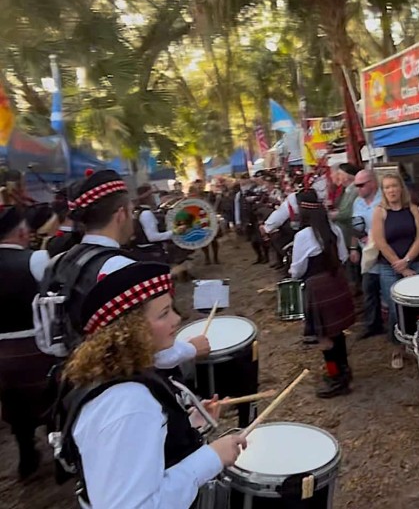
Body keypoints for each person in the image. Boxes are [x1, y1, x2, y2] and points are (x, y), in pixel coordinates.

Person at [59, 261, 247, 508]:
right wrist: (212, 457)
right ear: (132, 329)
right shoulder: (127, 403)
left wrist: (186, 425)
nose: (177, 319)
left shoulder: (113, 371)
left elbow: (135, 453)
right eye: (164, 313)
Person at [39, 169, 209, 366]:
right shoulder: (121, 268)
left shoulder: (56, 262)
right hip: (122, 381)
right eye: (131, 210)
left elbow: (47, 340)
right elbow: (148, 353)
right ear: (121, 214)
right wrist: (191, 349)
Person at [0, 204, 57, 479]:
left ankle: (26, 459)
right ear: (22, 232)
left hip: (1, 352)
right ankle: (60, 457)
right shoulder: (36, 259)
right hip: (35, 344)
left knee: (14, 405)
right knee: (52, 401)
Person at [289, 190, 355, 398]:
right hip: (336, 282)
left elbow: (297, 270)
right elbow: (343, 256)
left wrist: (292, 273)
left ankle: (336, 378)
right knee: (337, 333)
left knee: (325, 339)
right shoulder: (333, 229)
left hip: (317, 288)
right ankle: (344, 371)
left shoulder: (302, 236)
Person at [372, 172, 419, 369]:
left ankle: (415, 344)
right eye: (387, 187)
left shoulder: (412, 209)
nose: (391, 190)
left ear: (401, 188)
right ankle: (397, 347)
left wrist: (408, 260)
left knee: (415, 307)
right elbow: (380, 241)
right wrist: (400, 265)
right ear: (383, 191)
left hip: (414, 263)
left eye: (394, 186)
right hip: (389, 267)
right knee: (396, 309)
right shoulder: (379, 212)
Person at [351, 169, 383, 338]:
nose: (358, 189)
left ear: (372, 183)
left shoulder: (384, 199)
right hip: (368, 255)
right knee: (369, 290)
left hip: (385, 251)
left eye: (361, 185)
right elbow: (355, 226)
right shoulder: (358, 202)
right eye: (356, 185)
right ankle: (372, 325)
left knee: (387, 290)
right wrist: (353, 247)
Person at [130, 184, 173, 262]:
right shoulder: (146, 213)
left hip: (145, 252)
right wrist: (174, 233)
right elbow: (152, 237)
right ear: (148, 197)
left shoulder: (139, 211)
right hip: (152, 253)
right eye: (153, 195)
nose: (155, 197)